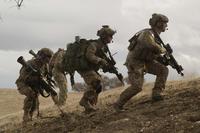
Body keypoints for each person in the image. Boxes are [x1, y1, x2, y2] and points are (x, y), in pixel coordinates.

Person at [114, 13, 169, 112]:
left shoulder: (156, 36)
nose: (166, 25)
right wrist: (163, 50)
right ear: (159, 24)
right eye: (165, 23)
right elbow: (151, 45)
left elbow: (152, 52)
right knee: (137, 87)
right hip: (135, 62)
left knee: (163, 70)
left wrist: (163, 58)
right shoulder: (147, 33)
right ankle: (118, 104)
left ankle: (157, 94)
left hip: (146, 61)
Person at [78, 25, 116, 113]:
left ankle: (90, 107)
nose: (111, 38)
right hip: (84, 67)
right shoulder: (94, 44)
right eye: (110, 36)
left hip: (90, 67)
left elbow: (101, 60)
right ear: (104, 36)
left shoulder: (103, 46)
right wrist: (100, 60)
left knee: (98, 87)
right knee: (96, 81)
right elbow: (89, 55)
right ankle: (84, 101)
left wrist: (108, 67)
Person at [16, 48, 54, 123]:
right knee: (31, 94)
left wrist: (46, 81)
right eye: (47, 57)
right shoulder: (29, 64)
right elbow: (23, 77)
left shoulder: (45, 66)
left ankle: (31, 116)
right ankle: (26, 115)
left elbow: (46, 76)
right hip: (23, 83)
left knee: (35, 101)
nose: (48, 60)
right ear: (42, 56)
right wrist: (34, 78)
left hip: (35, 85)